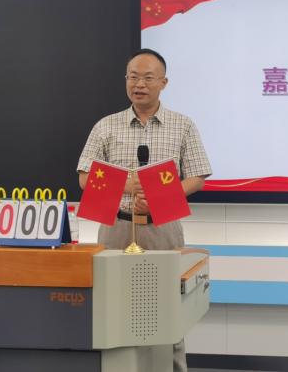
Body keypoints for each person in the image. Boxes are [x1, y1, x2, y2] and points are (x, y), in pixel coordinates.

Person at [77, 48, 212, 372]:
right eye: (133, 77)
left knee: (169, 306)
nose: (139, 84)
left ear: (163, 83)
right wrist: (128, 186)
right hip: (116, 227)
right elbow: (84, 177)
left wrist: (158, 196)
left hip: (163, 227)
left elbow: (197, 176)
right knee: (111, 305)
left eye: (148, 78)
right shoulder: (106, 126)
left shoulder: (183, 125)